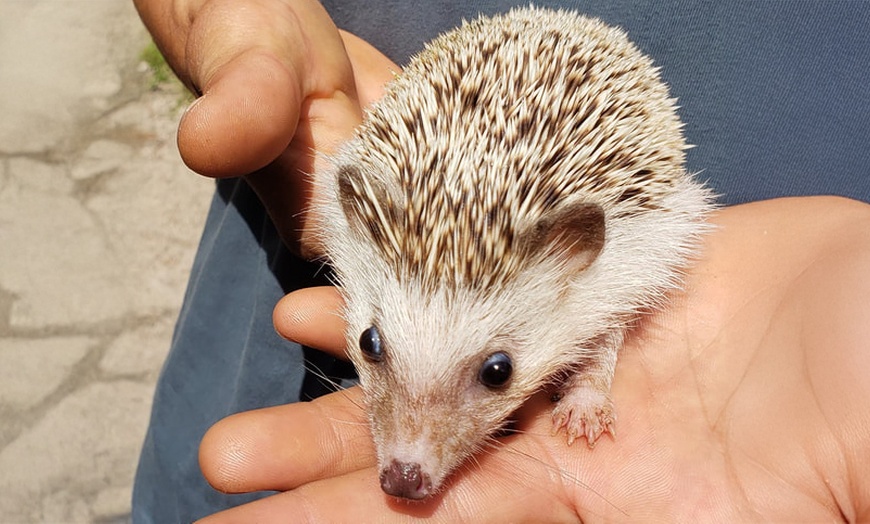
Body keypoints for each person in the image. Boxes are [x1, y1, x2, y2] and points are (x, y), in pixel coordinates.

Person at [130, 0, 870, 522]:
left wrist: (591, 381)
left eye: (492, 372)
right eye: (376, 349)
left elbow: (608, 309)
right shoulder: (357, 209)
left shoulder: (605, 263)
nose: (407, 452)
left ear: (573, 259)